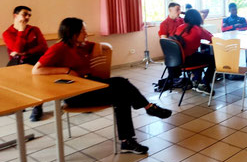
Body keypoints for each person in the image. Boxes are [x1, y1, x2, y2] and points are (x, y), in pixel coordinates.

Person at [32, 18, 172, 154]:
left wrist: (99, 48)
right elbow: (36, 70)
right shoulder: (59, 48)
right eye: (83, 31)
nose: (86, 34)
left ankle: (127, 141)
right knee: (121, 84)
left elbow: (101, 46)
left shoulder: (80, 45)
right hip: (75, 94)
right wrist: (66, 70)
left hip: (89, 85)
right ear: (72, 33)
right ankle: (147, 109)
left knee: (121, 94)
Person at [3, 5, 49, 121]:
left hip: (35, 60)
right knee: (20, 84)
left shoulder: (35, 29)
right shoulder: (7, 33)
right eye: (25, 14)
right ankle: (22, 104)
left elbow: (43, 47)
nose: (28, 17)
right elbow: (16, 49)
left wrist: (26, 52)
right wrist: (21, 31)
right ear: (15, 15)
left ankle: (38, 107)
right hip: (19, 63)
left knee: (38, 83)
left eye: (29, 15)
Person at [172, 9, 215, 95]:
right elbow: (211, 38)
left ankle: (196, 81)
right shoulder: (198, 29)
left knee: (198, 56)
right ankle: (204, 84)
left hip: (177, 60)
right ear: (198, 19)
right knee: (214, 59)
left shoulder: (180, 27)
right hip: (187, 61)